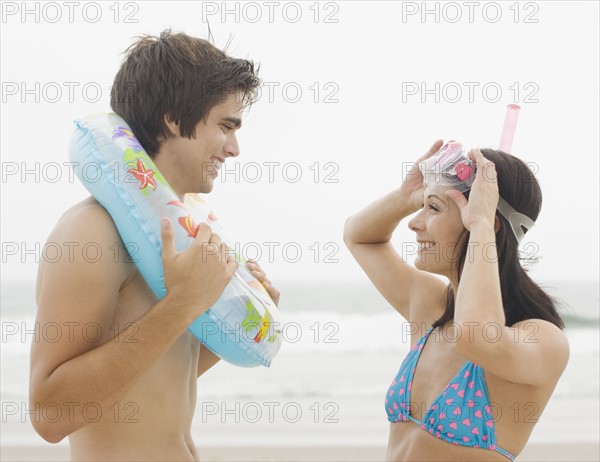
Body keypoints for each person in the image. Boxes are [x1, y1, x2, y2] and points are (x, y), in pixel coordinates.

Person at [30, 30, 280, 461]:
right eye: (225, 126)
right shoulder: (91, 233)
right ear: (172, 118)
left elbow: (154, 380)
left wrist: (222, 311)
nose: (235, 148)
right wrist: (181, 305)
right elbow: (51, 414)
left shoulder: (176, 233)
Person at [344, 140, 569, 461]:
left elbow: (475, 335)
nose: (414, 222)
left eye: (433, 208)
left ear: (488, 225)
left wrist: (480, 226)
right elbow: (359, 237)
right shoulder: (429, 304)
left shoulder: (542, 339)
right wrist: (405, 197)